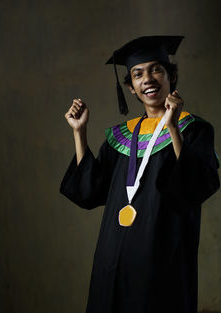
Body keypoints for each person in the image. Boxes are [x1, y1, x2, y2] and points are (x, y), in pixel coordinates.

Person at [60, 36, 220, 313]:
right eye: (137, 74)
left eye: (156, 69)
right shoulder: (120, 136)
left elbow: (195, 186)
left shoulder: (194, 129)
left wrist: (172, 127)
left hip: (162, 255)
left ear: (170, 76)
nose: (147, 78)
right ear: (131, 88)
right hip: (114, 257)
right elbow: (91, 191)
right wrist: (79, 132)